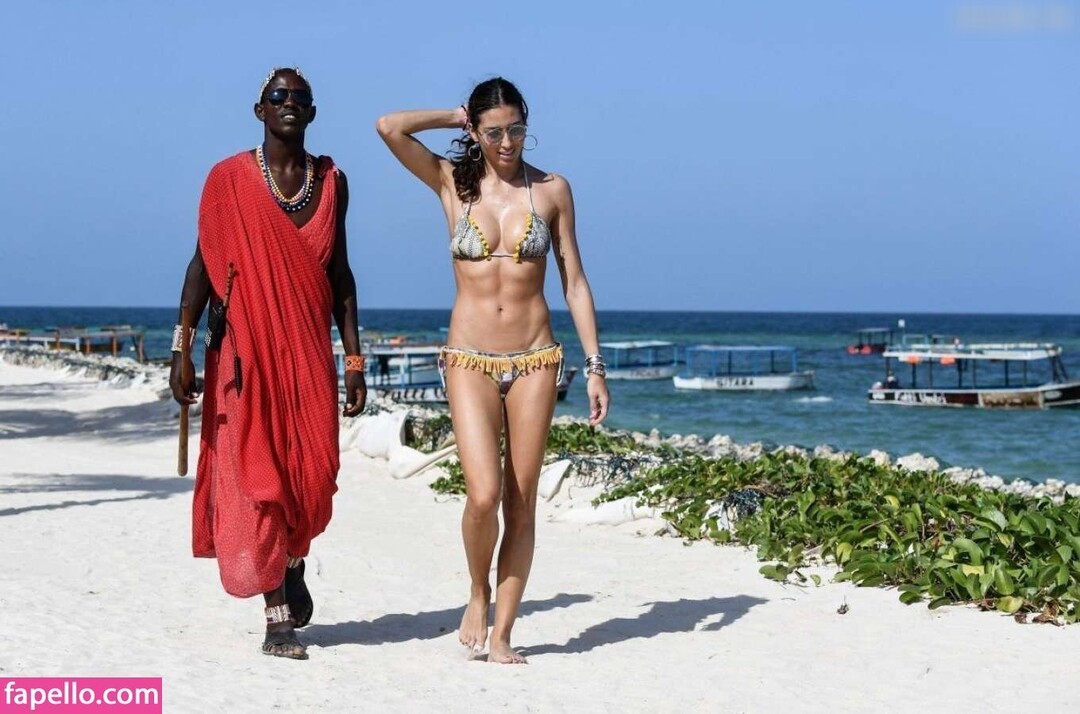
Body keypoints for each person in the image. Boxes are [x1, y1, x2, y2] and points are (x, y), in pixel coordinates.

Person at [376, 77, 610, 664]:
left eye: (517, 130)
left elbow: (574, 282)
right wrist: (453, 115)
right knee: (482, 495)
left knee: (521, 499)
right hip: (469, 358)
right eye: (494, 131)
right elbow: (389, 127)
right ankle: (477, 591)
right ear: (476, 131)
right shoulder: (450, 183)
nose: (508, 143)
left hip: (535, 358)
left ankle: (504, 632)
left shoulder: (552, 190)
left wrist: (595, 365)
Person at [170, 67, 367, 660]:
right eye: (278, 96)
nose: (289, 103)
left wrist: (354, 360)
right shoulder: (228, 180)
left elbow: (340, 276)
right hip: (245, 354)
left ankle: (293, 558)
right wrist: (181, 348)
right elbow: (201, 266)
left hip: (308, 353)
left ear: (313, 112)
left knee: (315, 476)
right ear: (259, 110)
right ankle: (276, 617)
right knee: (262, 477)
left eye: (300, 97)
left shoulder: (331, 182)